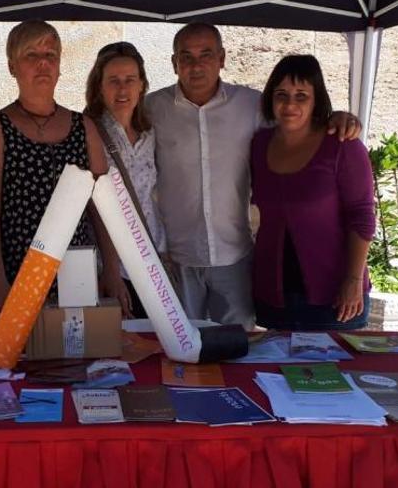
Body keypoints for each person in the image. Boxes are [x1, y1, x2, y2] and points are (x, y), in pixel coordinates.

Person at [146, 22, 361, 329]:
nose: (196, 65)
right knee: (180, 350)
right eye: (186, 56)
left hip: (235, 256)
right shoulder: (153, 109)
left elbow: (297, 126)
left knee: (238, 350)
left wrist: (337, 118)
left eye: (206, 54)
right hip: (177, 258)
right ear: (174, 63)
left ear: (222, 58)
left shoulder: (252, 105)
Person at [0, 20, 108, 328]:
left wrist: (110, 270)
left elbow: (101, 207)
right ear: (12, 66)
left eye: (51, 53)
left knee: (77, 360)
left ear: (60, 65)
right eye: (31, 54)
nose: (43, 62)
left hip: (76, 272)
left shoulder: (83, 127)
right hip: (16, 274)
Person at [250, 55, 375, 330]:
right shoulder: (259, 145)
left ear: (317, 99)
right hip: (274, 295)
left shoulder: (343, 145)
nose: (290, 104)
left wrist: (353, 280)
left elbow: (362, 215)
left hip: (335, 297)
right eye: (281, 94)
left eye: (301, 95)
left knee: (335, 374)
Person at [83, 41, 163, 319]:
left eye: (130, 80)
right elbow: (93, 206)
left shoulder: (149, 132)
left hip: (150, 262)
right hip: (112, 265)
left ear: (142, 85)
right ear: (99, 87)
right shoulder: (88, 131)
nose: (122, 89)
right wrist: (111, 269)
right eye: (113, 81)